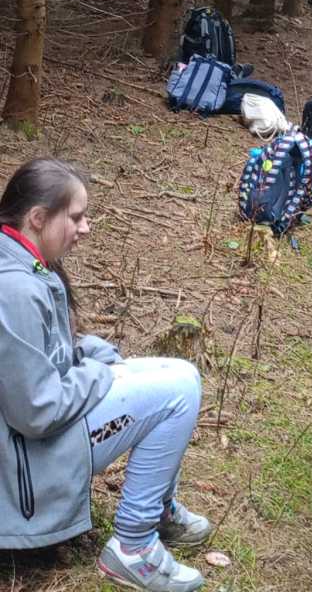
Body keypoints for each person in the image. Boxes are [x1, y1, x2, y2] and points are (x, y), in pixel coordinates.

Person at [0, 158, 209, 591]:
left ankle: (157, 510)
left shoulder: (23, 262)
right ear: (37, 218)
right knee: (176, 393)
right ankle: (134, 547)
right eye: (76, 217)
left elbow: (42, 351)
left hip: (27, 448)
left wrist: (92, 352)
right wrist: (98, 373)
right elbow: (36, 411)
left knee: (180, 374)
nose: (86, 227)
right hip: (24, 468)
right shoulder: (14, 287)